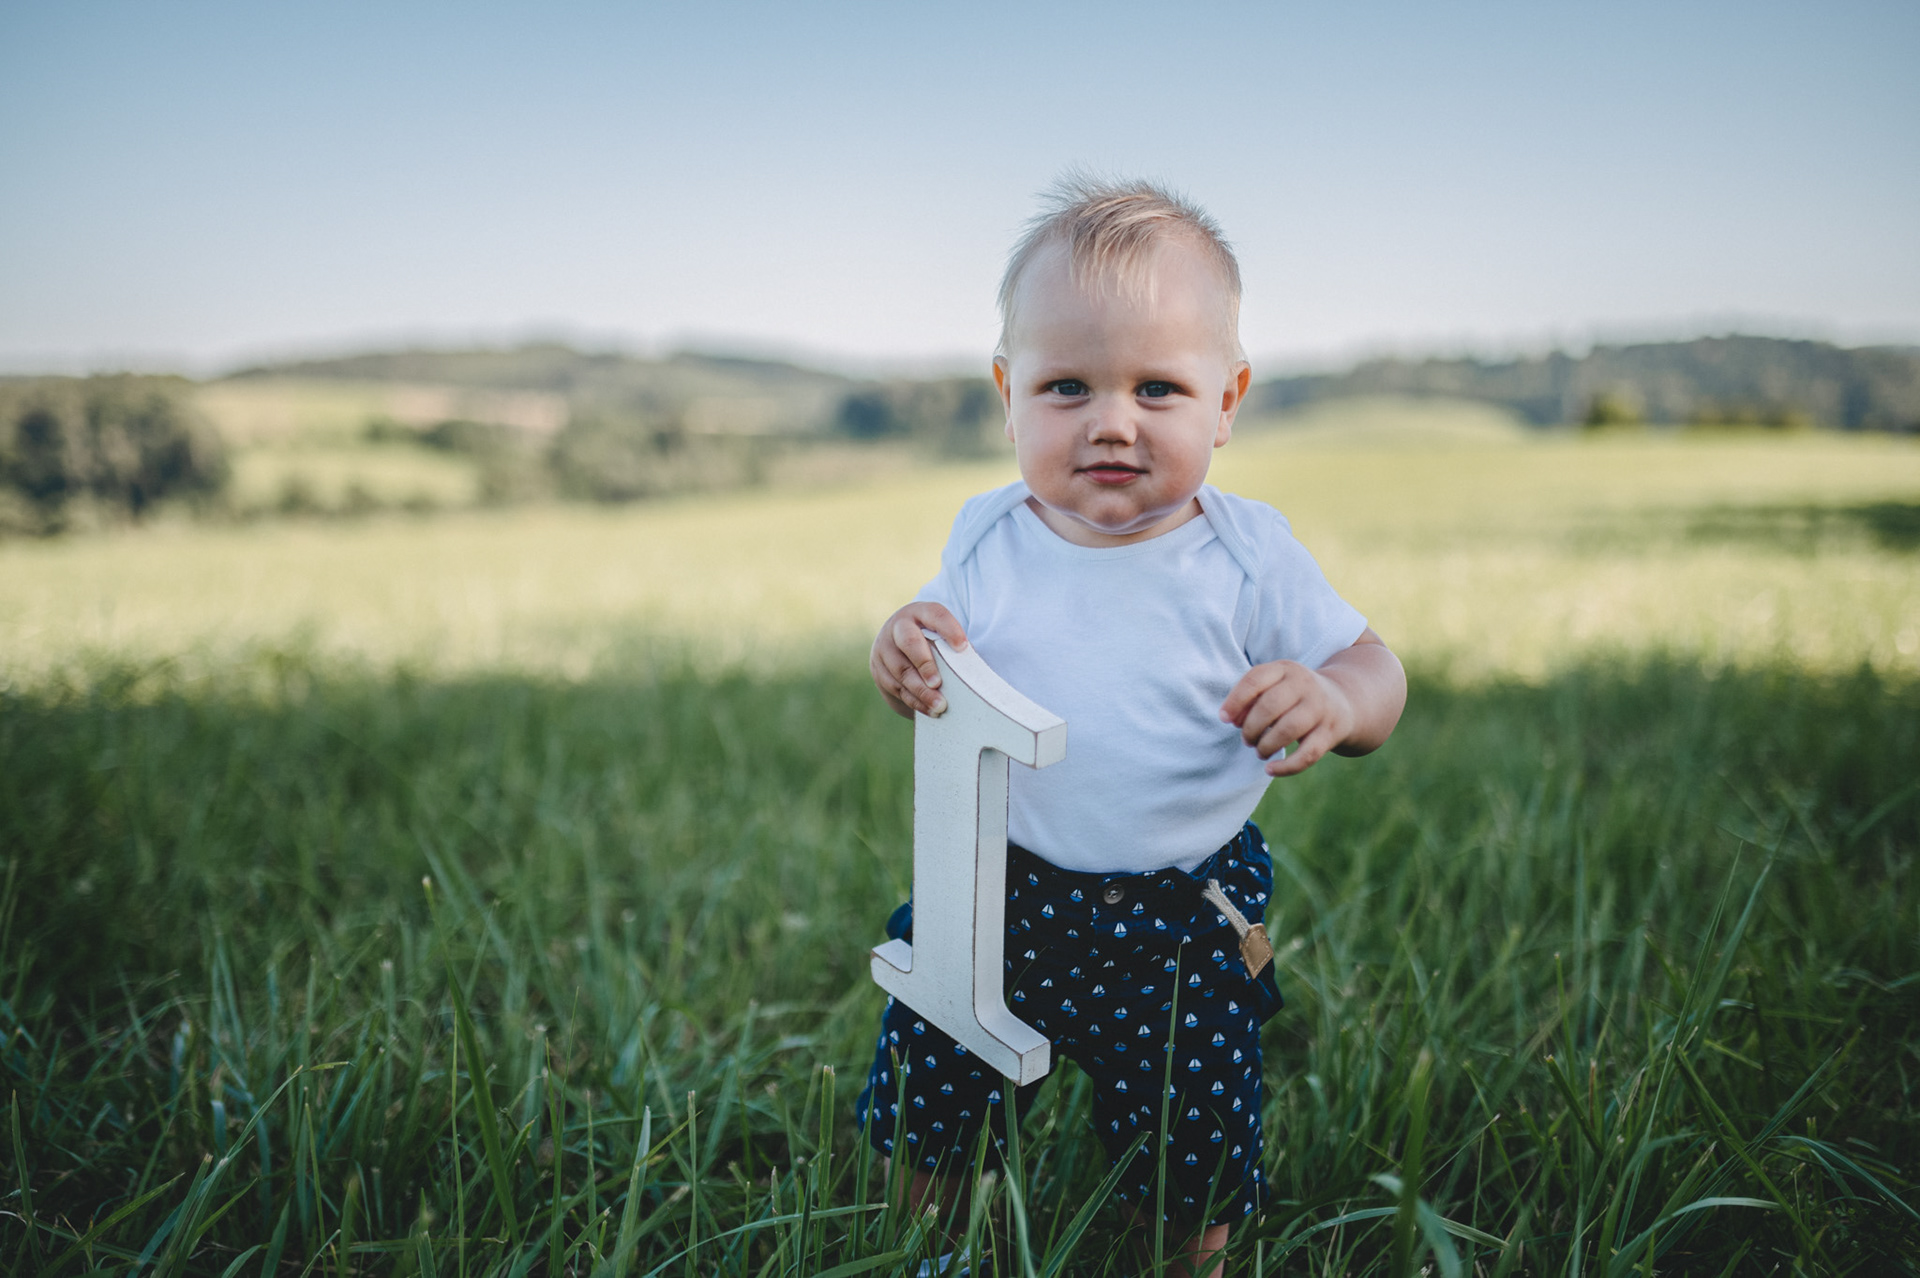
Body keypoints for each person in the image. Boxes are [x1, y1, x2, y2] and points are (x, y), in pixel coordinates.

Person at [859, 177, 1408, 1277]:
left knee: (1188, 1127)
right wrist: (901, 645)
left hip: (1179, 908)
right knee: (936, 1081)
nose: (1112, 421)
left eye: (1158, 388)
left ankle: (1185, 1254)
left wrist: (1339, 699)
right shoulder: (989, 537)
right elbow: (931, 647)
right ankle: (926, 1243)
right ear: (1009, 394)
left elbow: (1375, 669)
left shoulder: (1245, 555)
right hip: (993, 883)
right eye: (1067, 386)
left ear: (1227, 401)